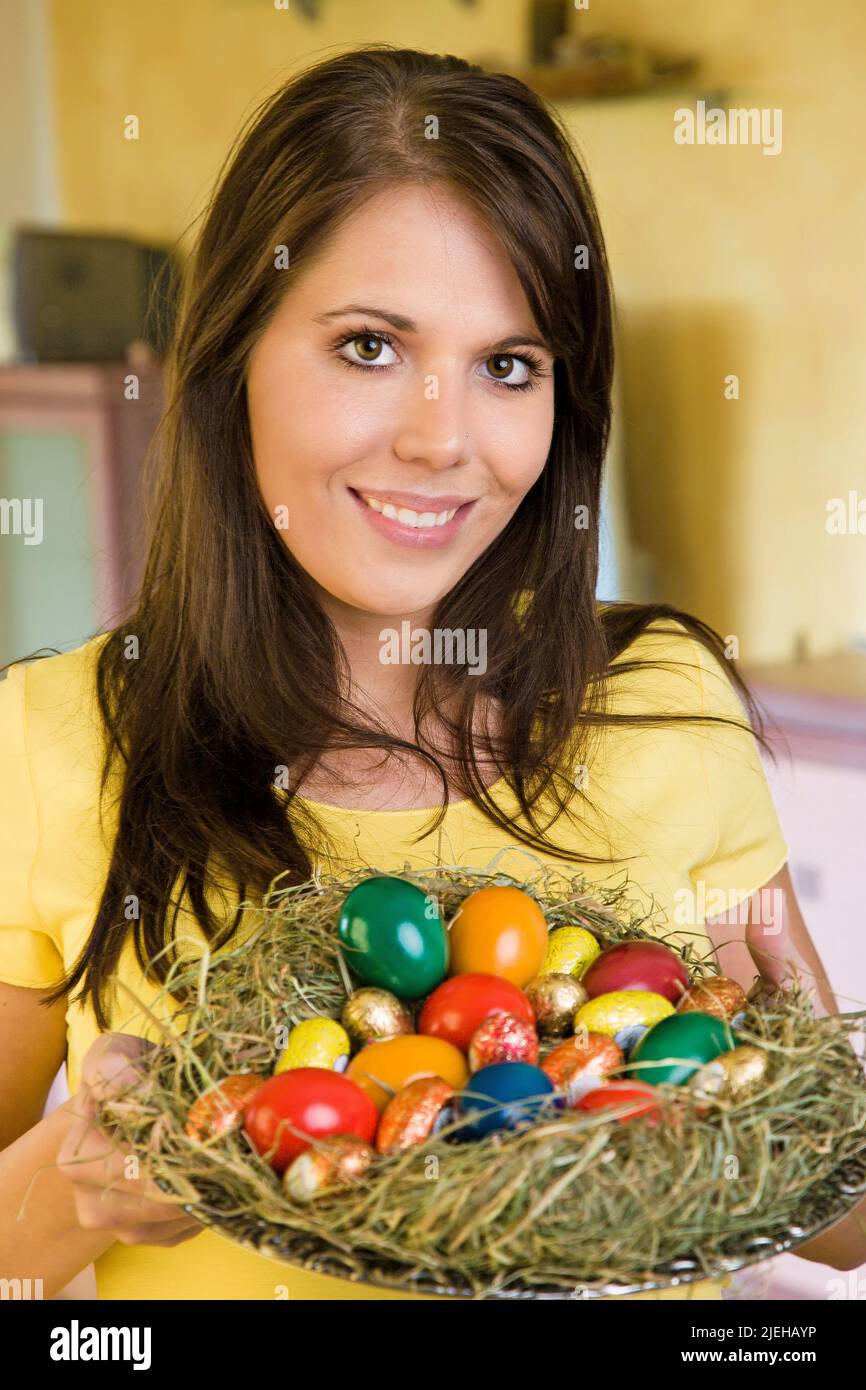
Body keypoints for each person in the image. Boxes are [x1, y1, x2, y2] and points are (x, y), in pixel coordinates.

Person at [1, 46, 861, 1303]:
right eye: (366, 345)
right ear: (234, 354)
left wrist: (801, 1098)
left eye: (507, 366)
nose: (440, 438)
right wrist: (63, 1188)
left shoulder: (662, 703)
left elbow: (836, 1227)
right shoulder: (61, 741)